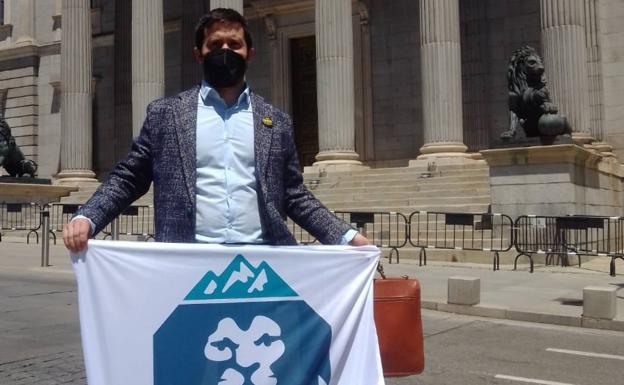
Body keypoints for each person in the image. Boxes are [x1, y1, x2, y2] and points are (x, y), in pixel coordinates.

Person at [63, 8, 368, 252]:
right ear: (199, 53)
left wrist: (345, 236)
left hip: (260, 261)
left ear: (249, 53)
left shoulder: (276, 122)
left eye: (234, 44)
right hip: (190, 261)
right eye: (215, 44)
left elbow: (294, 195)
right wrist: (87, 216)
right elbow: (129, 177)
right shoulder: (167, 115)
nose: (225, 50)